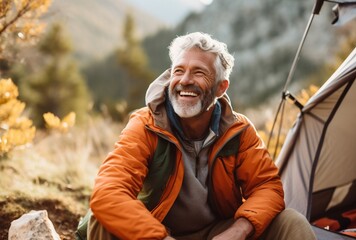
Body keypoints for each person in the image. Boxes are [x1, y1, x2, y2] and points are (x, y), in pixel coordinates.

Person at [88, 32, 316, 240]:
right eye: (179, 71)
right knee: (103, 221)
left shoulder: (239, 130)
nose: (185, 80)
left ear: (221, 88)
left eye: (199, 72)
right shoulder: (146, 124)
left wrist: (238, 230)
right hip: (157, 230)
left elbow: (267, 187)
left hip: (217, 233)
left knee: (290, 222)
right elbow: (108, 192)